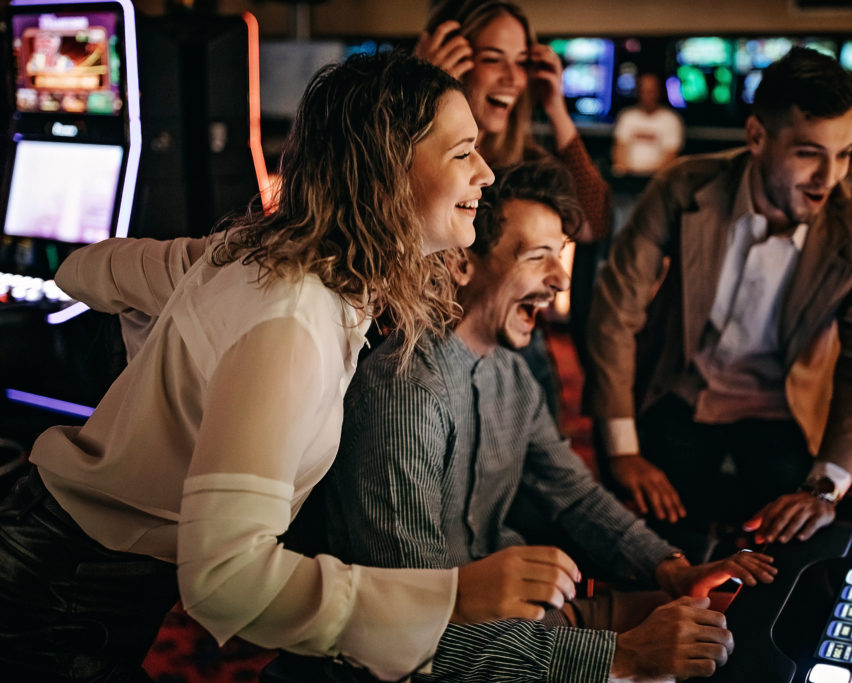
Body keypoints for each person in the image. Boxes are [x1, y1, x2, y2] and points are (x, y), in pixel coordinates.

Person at [0, 52, 580, 682]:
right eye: (463, 152)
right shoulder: (292, 316)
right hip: (55, 595)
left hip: (64, 555)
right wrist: (453, 598)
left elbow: (82, 269)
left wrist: (171, 363)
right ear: (387, 168)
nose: (488, 173)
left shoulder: (260, 258)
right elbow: (225, 581)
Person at [269, 159, 776, 683]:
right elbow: (411, 629)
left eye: (560, 257)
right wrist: (620, 657)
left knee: (719, 628)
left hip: (510, 622)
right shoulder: (405, 395)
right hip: (416, 659)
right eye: (539, 258)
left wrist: (670, 567)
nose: (560, 280)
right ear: (462, 263)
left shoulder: (511, 371)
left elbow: (574, 494)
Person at [586, 47, 852, 557]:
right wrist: (622, 450)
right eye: (809, 153)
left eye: (843, 153)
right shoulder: (683, 186)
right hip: (679, 391)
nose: (830, 177)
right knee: (650, 549)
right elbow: (615, 312)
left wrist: (825, 485)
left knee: (786, 556)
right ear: (757, 137)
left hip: (784, 413)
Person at [414, 0, 613, 399]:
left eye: (521, 62)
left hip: (514, 349)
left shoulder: (520, 159)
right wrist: (421, 88)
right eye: (493, 59)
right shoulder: (411, 150)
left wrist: (555, 106)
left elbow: (593, 223)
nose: (512, 78)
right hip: (423, 350)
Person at [612, 72, 685, 176]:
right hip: (629, 177)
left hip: (657, 178)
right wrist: (623, 172)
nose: (647, 96)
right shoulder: (627, 116)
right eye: (643, 91)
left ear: (658, 92)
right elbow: (619, 149)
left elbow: (671, 157)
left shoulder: (671, 119)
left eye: (651, 91)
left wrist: (655, 176)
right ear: (638, 92)